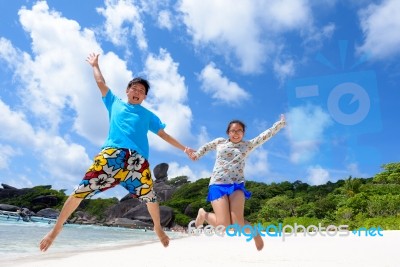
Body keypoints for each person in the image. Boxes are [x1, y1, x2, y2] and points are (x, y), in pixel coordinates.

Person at [39, 53, 194, 252]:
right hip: (112, 156)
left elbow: (163, 135)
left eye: (142, 91)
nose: (137, 92)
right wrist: (95, 65)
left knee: (151, 199)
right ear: (127, 90)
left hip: (137, 162)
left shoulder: (148, 115)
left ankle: (157, 227)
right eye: (134, 88)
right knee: (80, 192)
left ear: (145, 96)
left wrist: (184, 148)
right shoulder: (114, 102)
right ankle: (55, 230)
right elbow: (100, 82)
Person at [191, 114, 286, 250]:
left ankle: (255, 234)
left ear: (243, 133)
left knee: (237, 226)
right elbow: (206, 147)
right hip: (218, 184)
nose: (236, 133)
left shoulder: (248, 145)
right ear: (228, 133)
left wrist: (279, 124)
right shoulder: (220, 142)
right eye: (233, 131)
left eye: (239, 131)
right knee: (223, 227)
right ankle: (203, 214)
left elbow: (265, 136)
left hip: (236, 185)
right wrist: (197, 154)